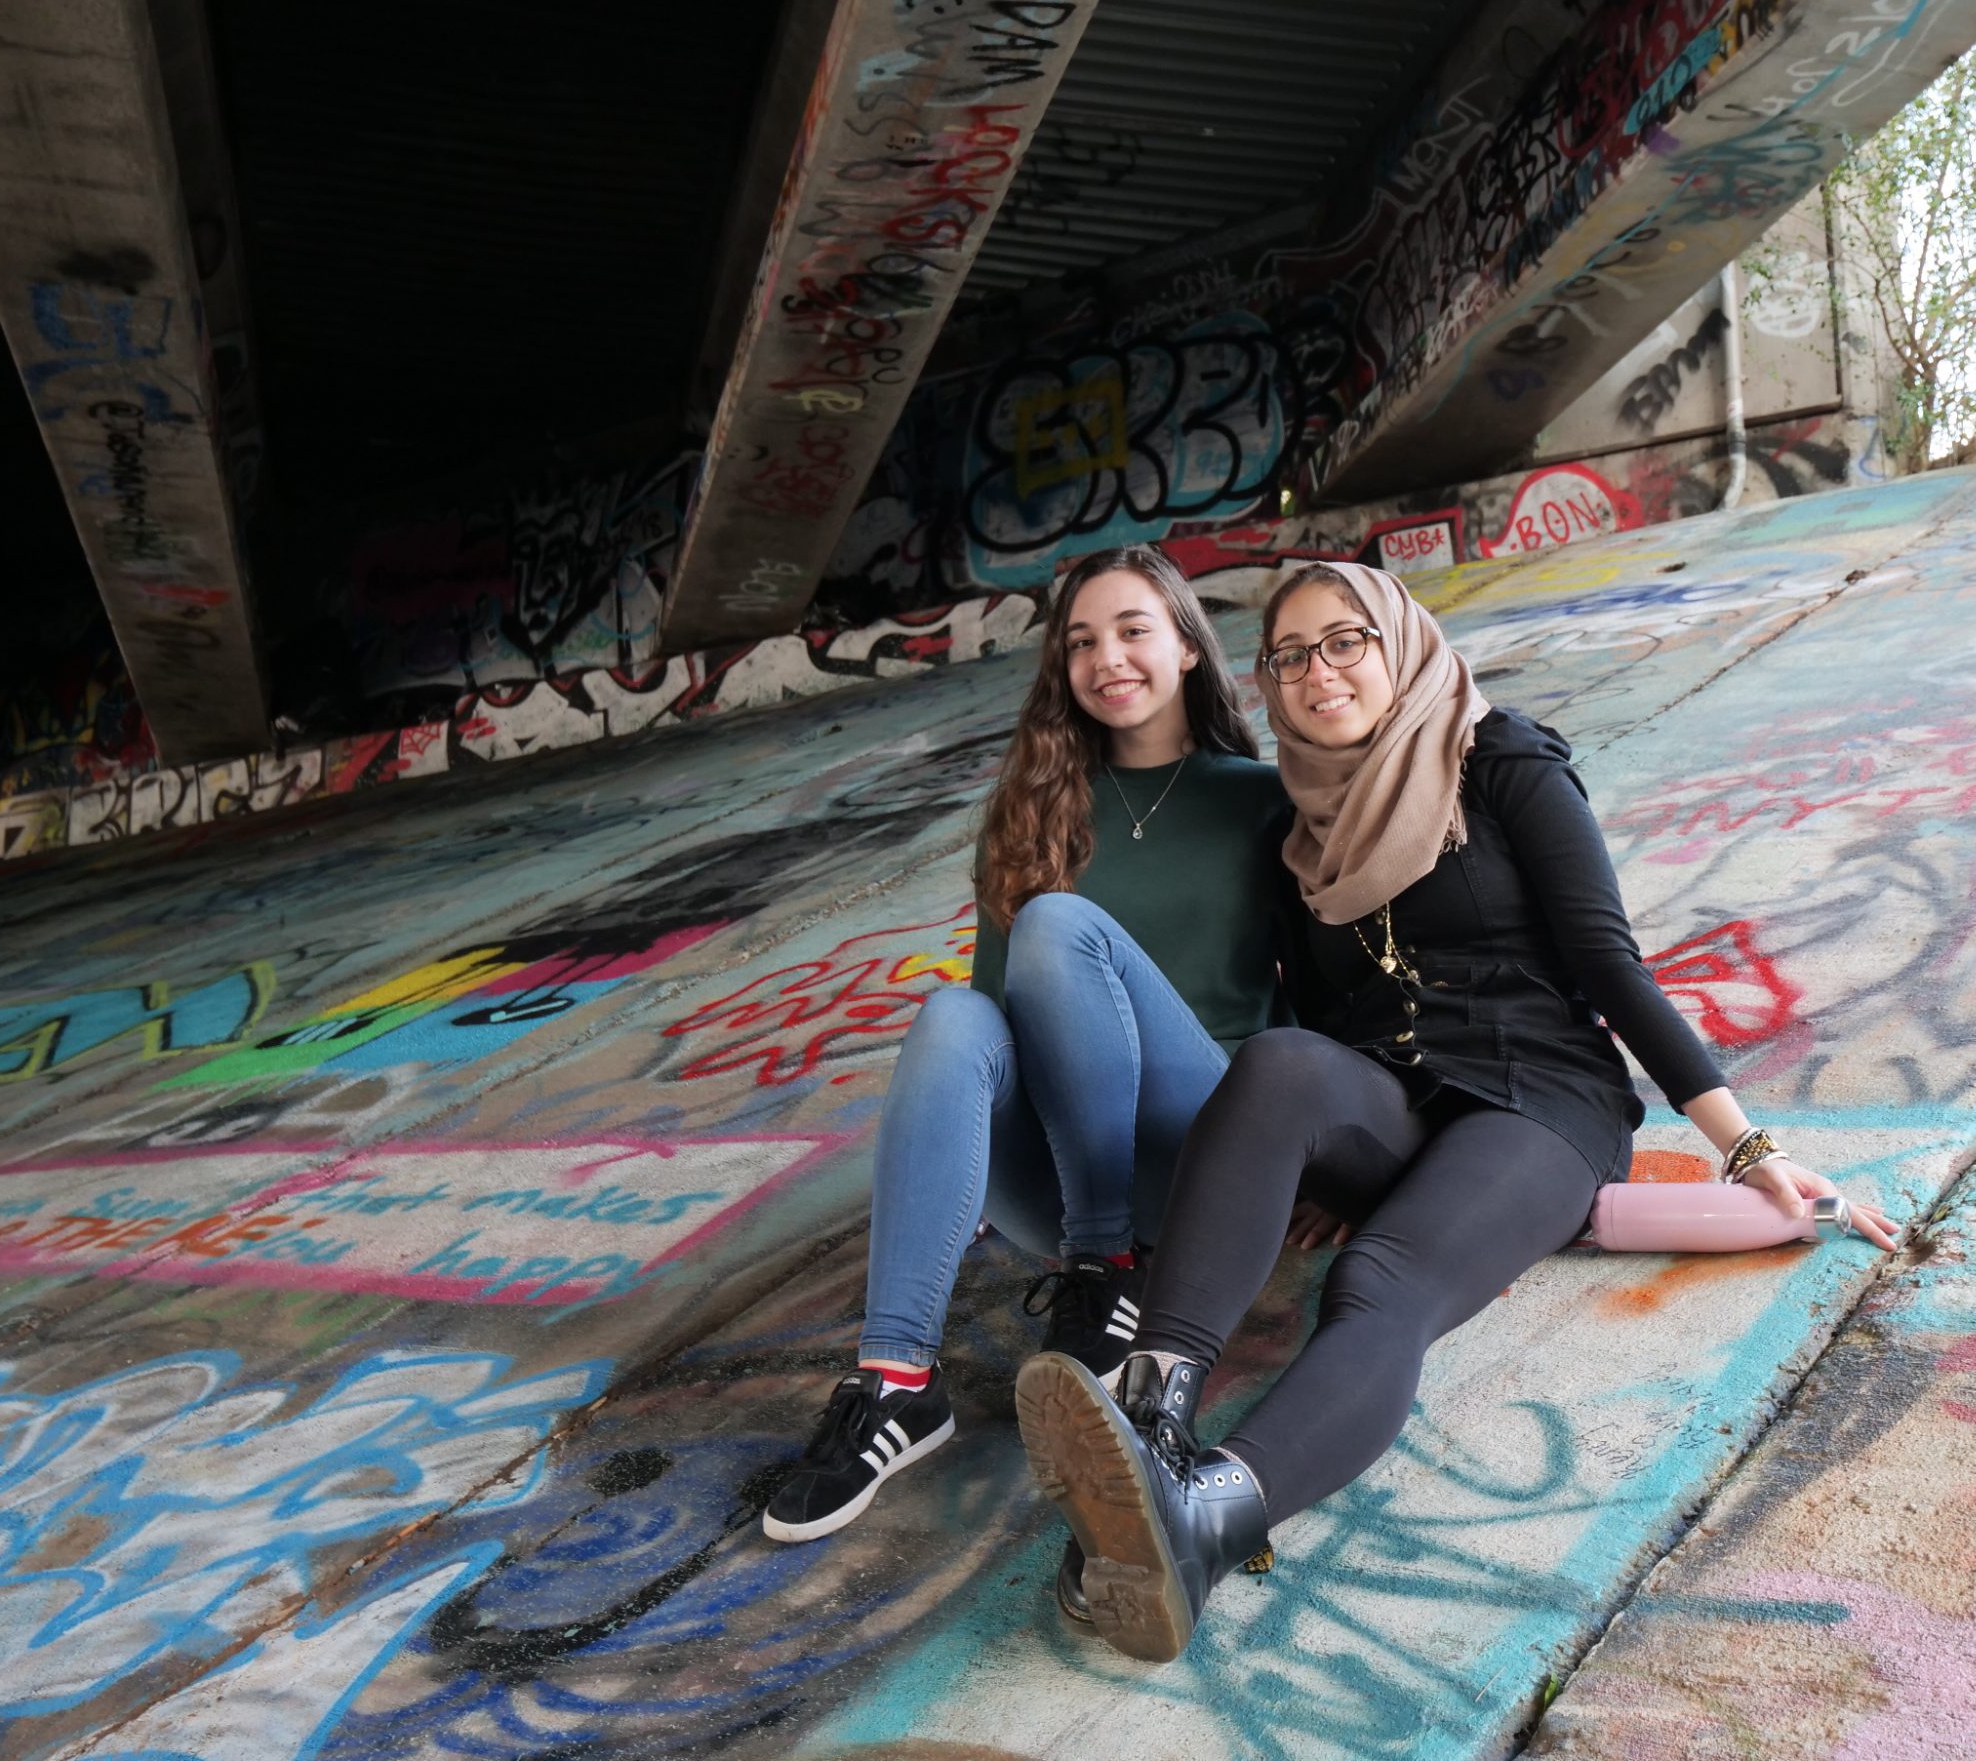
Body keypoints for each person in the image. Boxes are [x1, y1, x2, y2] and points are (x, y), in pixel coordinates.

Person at [1015, 561, 1898, 1662]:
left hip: (1538, 1103)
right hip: (1392, 1095)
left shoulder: (1501, 760)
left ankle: (1203, 1519)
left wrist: (1744, 1143)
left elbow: (1609, 966)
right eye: (1289, 657)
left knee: (1381, 1280)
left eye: (1343, 641)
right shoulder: (1300, 829)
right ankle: (1148, 1428)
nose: (1316, 672)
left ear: (1397, 642)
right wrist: (1318, 1164)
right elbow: (1322, 1016)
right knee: (1283, 1063)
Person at [763, 545, 1292, 1567]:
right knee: (956, 1016)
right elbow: (1004, 1040)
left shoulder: (1263, 800)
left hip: (1209, 1157)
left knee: (1056, 924)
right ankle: (896, 1384)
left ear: (1186, 646)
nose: (1107, 658)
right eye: (1080, 641)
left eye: (1133, 629)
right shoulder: (1033, 811)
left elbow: (1319, 1010)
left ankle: (1107, 1266)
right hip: (1061, 1177)